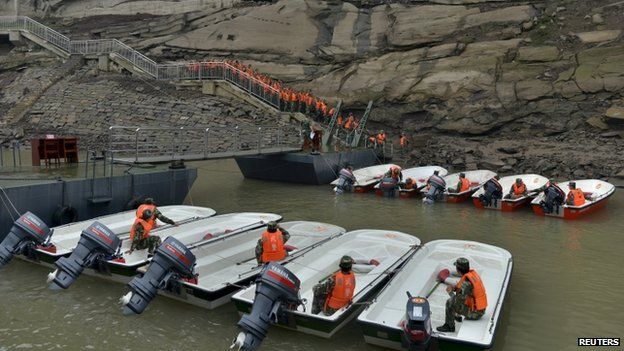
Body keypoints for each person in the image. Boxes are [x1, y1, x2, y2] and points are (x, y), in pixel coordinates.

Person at [312, 255, 379, 315]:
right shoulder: (352, 276)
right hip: (346, 303)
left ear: (340, 266)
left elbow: (318, 290)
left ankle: (314, 312)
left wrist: (316, 287)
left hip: (330, 310)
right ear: (350, 267)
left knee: (316, 289)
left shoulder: (334, 279)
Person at [436, 258, 487, 333]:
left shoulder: (465, 283)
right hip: (480, 309)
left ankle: (449, 326)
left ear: (457, 270)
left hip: (475, 313)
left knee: (450, 302)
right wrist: (456, 288)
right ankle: (457, 316)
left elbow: (457, 302)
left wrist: (450, 292)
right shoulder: (472, 275)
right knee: (460, 299)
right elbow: (468, 291)